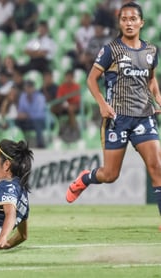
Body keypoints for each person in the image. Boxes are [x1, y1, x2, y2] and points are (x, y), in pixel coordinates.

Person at [66, 2, 161, 230]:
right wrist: (101, 104)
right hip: (117, 119)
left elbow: (151, 80)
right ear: (120, 23)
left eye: (133, 19)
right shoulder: (111, 50)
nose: (129, 23)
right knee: (110, 175)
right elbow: (91, 79)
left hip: (144, 117)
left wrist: (157, 99)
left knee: (157, 166)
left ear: (141, 23)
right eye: (124, 19)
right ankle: (85, 178)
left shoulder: (151, 51)